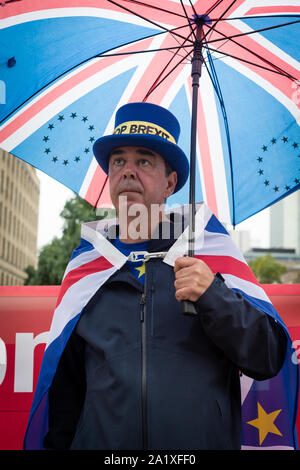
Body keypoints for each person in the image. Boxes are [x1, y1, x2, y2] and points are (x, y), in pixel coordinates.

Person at [24, 102, 296, 451]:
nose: (128, 171)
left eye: (144, 160)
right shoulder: (87, 268)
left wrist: (213, 294)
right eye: (118, 160)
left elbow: (269, 357)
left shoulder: (211, 254)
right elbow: (65, 399)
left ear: (170, 183)